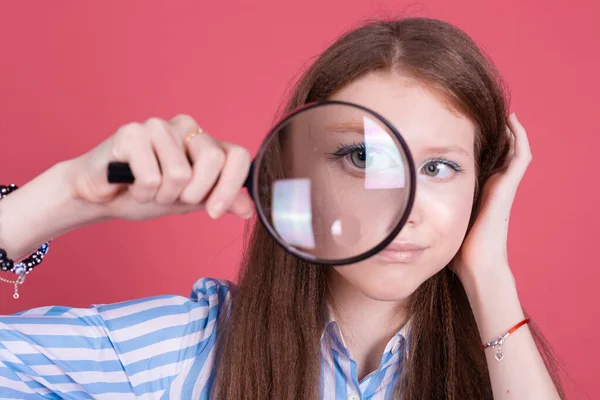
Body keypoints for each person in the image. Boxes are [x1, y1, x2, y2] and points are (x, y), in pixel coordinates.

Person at [0, 17, 565, 399]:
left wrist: (489, 272)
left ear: (482, 188)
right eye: (362, 157)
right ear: (297, 174)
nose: (406, 207)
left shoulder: (503, 370)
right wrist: (69, 193)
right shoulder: (181, 352)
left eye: (440, 167)